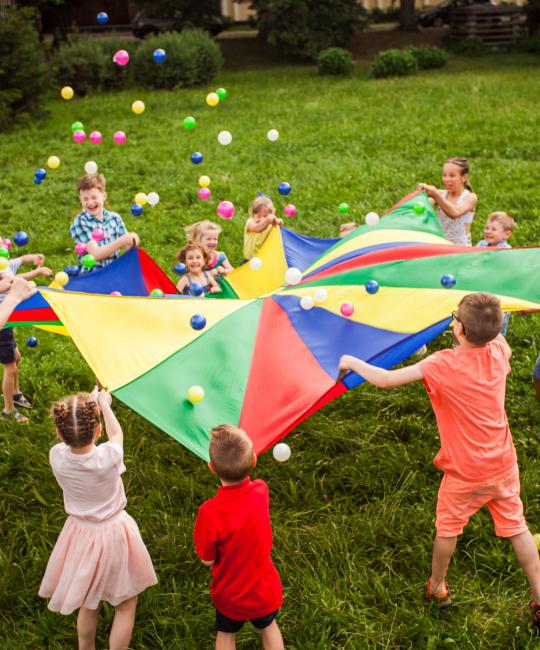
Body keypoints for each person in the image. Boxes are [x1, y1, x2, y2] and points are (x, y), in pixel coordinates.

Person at [339, 293, 540, 629]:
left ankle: (436, 587)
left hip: (465, 472)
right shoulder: (499, 351)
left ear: (458, 328)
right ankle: (538, 596)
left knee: (448, 528)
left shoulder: (442, 364)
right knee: (517, 527)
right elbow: (494, 330)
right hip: (502, 464)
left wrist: (352, 361)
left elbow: (386, 380)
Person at [39, 389, 157, 650]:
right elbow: (117, 435)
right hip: (114, 534)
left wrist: (89, 405)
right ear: (98, 431)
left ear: (59, 433)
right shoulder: (109, 457)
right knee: (126, 604)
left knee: (89, 600)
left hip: (80, 534)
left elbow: (78, 433)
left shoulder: (56, 456)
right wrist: (103, 404)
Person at [194, 424, 284, 650]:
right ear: (254, 460)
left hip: (230, 594)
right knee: (269, 626)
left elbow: (207, 559)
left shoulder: (209, 511)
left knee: (225, 633)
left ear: (211, 468)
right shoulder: (261, 490)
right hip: (264, 590)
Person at [1, 253, 52, 423]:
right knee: (11, 368)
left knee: (17, 357)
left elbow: (19, 267)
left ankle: (15, 393)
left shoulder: (4, 264)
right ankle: (8, 410)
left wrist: (34, 273)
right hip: (2, 326)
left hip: (7, 323)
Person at [70, 173, 140, 273]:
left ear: (104, 196)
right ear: (80, 199)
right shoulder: (80, 222)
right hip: (91, 278)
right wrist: (122, 241)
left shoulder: (115, 218)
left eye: (94, 197)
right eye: (85, 199)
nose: (90, 202)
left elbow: (128, 245)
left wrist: (133, 240)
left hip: (114, 274)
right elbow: (95, 254)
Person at [418, 157, 477, 246]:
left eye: (452, 175)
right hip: (442, 246)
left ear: (464, 177)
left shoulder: (470, 197)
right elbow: (423, 206)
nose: (446, 179)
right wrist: (421, 195)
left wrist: (436, 195)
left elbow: (455, 212)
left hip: (462, 250)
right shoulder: (441, 194)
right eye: (444, 175)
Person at [243, 197, 283, 261]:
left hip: (263, 261)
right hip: (248, 260)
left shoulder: (270, 225)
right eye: (258, 216)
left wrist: (278, 221)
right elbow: (257, 229)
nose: (262, 219)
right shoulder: (250, 222)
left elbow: (280, 222)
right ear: (253, 215)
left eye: (265, 216)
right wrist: (267, 220)